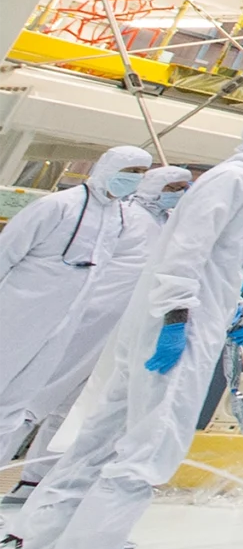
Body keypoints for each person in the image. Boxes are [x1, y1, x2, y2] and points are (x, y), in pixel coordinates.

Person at [2, 107, 243, 549]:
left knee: (96, 447)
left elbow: (209, 260)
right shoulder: (234, 181)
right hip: (177, 334)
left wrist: (234, 299)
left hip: (171, 324)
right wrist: (178, 321)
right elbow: (182, 257)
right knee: (149, 450)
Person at [9, 168, 192, 493]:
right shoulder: (123, 215)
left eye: (182, 188)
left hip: (119, 330)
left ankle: (33, 482)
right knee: (31, 402)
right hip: (86, 322)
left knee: (73, 410)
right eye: (173, 187)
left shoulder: (167, 225)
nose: (178, 193)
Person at [0, 148, 154, 465]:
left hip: (60, 326)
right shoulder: (57, 206)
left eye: (141, 173)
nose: (134, 178)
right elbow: (6, 253)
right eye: (131, 170)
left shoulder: (118, 218)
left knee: (13, 409)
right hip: (15, 316)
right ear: (108, 167)